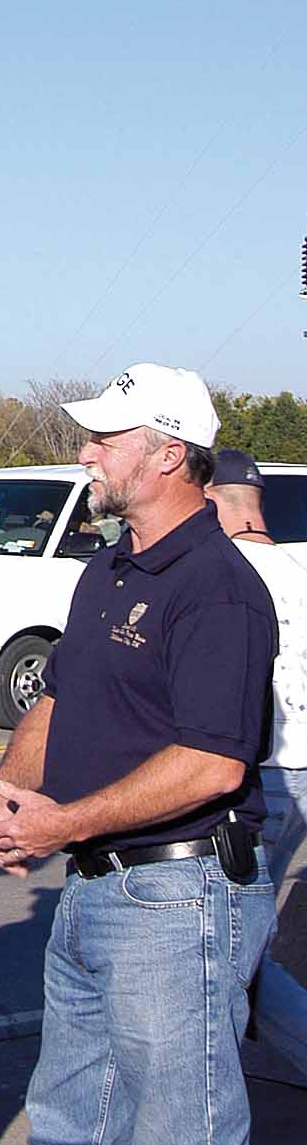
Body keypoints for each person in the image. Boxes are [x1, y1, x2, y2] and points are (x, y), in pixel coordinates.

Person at [0, 364, 278, 1145]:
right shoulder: (105, 570)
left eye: (105, 440)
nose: (85, 454)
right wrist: (7, 791)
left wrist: (63, 822)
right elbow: (60, 694)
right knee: (75, 1142)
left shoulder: (217, 589)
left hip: (176, 898)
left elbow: (213, 762)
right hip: (94, 890)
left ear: (167, 455)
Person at [206, 445, 307, 1076]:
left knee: (224, 945)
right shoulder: (300, 565)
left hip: (263, 773)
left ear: (212, 501)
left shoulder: (219, 574)